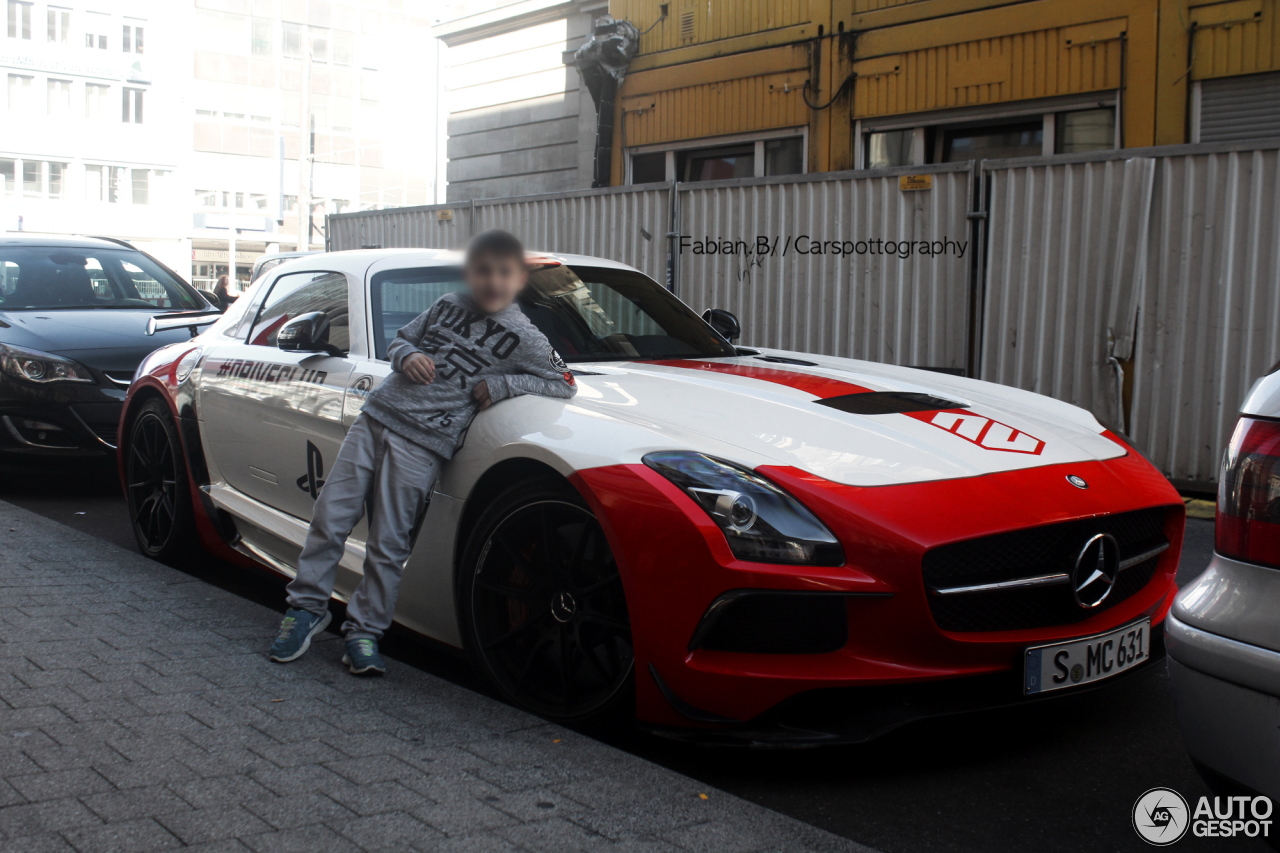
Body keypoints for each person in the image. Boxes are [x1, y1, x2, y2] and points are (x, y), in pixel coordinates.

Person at [267, 229, 577, 675]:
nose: (491, 281)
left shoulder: (525, 336)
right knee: (329, 518)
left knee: (389, 543)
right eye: (483, 271)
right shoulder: (447, 304)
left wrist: (505, 383)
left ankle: (364, 633)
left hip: (425, 444)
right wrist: (407, 354)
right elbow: (401, 340)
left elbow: (564, 382)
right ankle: (306, 609)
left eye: (503, 274)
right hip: (376, 419)